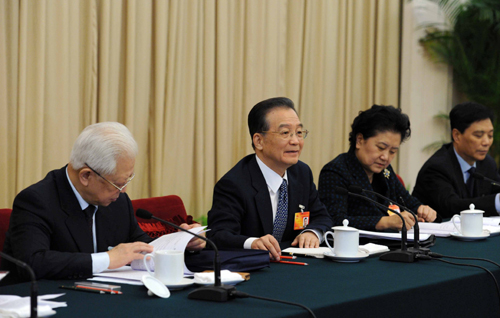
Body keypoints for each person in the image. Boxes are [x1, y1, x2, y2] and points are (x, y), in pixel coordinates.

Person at [2, 122, 204, 283]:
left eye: (127, 180)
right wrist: (107, 259)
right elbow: (33, 262)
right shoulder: (36, 201)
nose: (123, 191)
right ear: (86, 176)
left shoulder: (117, 201)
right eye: (117, 184)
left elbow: (139, 245)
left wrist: (181, 244)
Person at [207, 97, 332, 260]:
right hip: (254, 269)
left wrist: (312, 232)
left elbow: (322, 215)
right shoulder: (234, 184)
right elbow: (218, 235)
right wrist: (252, 243)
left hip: (295, 265)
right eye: (285, 133)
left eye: (299, 133)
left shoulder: (301, 173)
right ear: (259, 141)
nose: (295, 141)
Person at [318, 105, 438, 231]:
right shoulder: (335, 172)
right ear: (359, 140)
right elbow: (334, 220)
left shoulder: (385, 171)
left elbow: (408, 201)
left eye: (392, 151)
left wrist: (422, 210)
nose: (385, 157)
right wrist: (384, 222)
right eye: (381, 148)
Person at [412, 102, 500, 218]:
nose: (486, 142)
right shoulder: (437, 167)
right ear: (457, 135)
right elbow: (451, 206)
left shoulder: (487, 164)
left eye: (490, 136)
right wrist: (496, 202)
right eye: (478, 135)